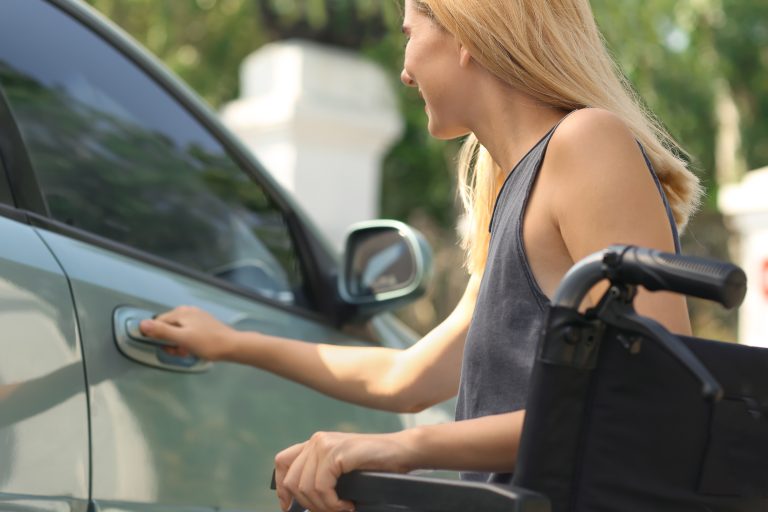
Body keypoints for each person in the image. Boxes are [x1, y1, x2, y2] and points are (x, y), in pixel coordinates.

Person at [140, 0, 702, 510]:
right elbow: (406, 376)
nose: (404, 70)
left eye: (410, 33)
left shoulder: (586, 143)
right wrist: (230, 342)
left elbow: (652, 394)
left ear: (464, 33)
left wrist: (403, 448)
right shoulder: (515, 188)